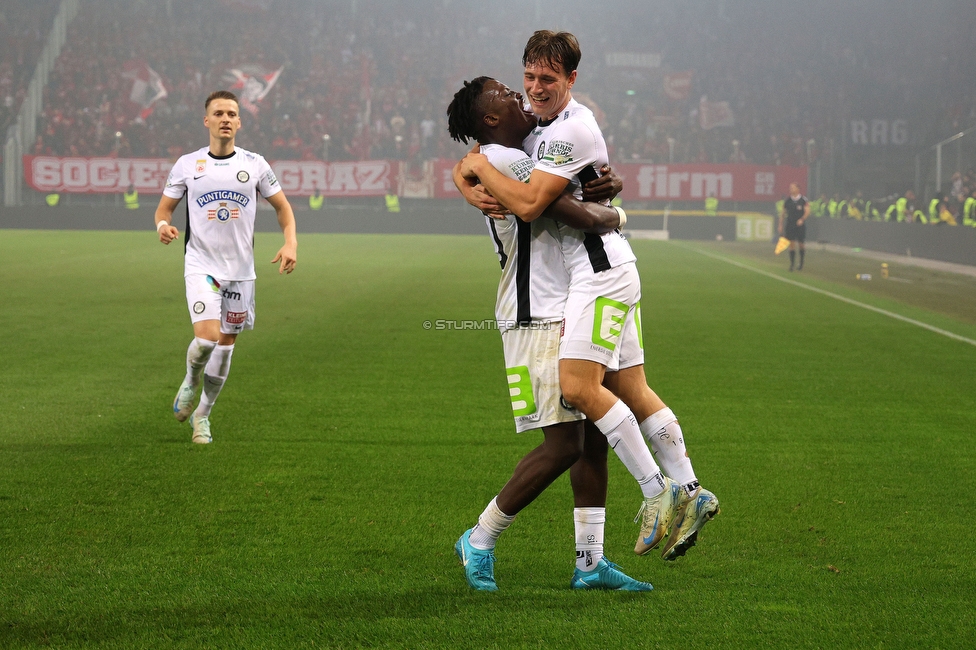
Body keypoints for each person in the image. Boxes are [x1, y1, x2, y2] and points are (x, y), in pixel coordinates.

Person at [456, 30, 718, 569]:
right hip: (556, 296)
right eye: (521, 82)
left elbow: (536, 198)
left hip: (589, 278)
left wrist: (474, 168)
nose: (527, 91)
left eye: (541, 81)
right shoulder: (520, 142)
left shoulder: (553, 132)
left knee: (584, 412)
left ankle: (627, 525)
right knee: (603, 411)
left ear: (571, 79)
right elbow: (525, 190)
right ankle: (678, 494)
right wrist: (469, 170)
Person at [447, 76, 650, 592]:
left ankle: (590, 562)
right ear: (490, 118)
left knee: (595, 437)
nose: (520, 95)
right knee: (563, 445)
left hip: (563, 305)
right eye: (506, 95)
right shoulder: (507, 160)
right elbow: (569, 210)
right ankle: (481, 537)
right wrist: (617, 206)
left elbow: (568, 179)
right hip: (534, 311)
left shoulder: (501, 154)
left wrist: (606, 180)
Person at [154, 90, 297, 444]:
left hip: (241, 272)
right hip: (201, 264)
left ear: (239, 122)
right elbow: (163, 210)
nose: (225, 119)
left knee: (226, 346)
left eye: (232, 113)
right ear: (207, 121)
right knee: (206, 339)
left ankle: (202, 415)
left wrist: (290, 241)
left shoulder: (255, 164)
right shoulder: (188, 164)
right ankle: (190, 381)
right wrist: (163, 226)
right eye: (218, 113)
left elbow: (283, 208)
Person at [778, 183, 809, 271]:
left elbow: (807, 211)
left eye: (793, 188)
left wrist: (802, 219)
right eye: (790, 188)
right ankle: (792, 264)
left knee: (801, 244)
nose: (791, 189)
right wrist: (780, 225)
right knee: (791, 244)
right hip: (790, 224)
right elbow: (783, 213)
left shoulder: (803, 200)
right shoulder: (788, 201)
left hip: (800, 225)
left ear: (798, 189)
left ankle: (801, 262)